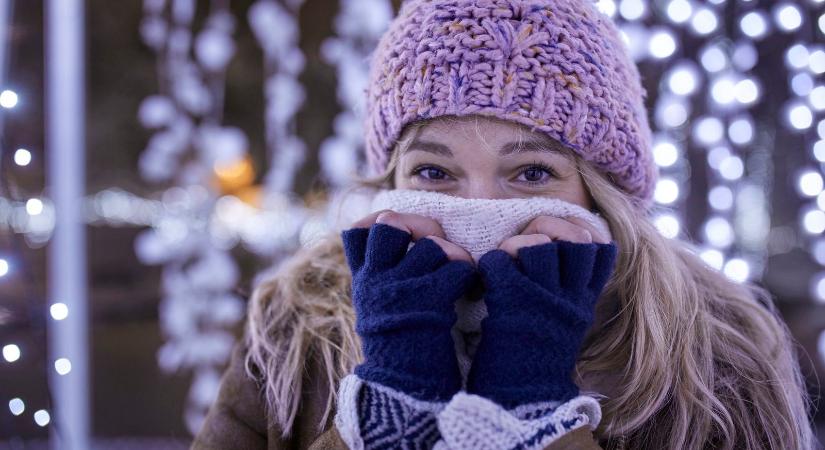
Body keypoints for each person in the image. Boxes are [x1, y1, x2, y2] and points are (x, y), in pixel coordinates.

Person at [192, 0, 818, 449]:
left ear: (602, 192)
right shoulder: (295, 324)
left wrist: (535, 406)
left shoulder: (717, 353)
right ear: (393, 182)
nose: (482, 210)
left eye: (532, 172)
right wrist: (392, 395)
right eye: (435, 172)